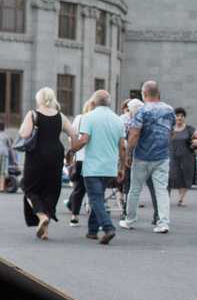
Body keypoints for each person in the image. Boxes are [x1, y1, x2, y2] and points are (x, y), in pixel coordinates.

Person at [15, 87, 80, 240]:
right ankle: (45, 231)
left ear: (39, 99)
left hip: (36, 155)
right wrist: (71, 152)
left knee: (29, 187)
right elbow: (73, 134)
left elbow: (24, 134)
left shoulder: (33, 114)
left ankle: (41, 215)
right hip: (56, 154)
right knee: (50, 190)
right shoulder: (60, 116)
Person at [68, 90, 126, 245]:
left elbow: (84, 139)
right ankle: (92, 231)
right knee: (98, 196)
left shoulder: (88, 118)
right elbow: (122, 147)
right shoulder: (118, 120)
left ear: (93, 103)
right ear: (109, 103)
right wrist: (122, 168)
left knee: (95, 199)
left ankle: (108, 228)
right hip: (109, 168)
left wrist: (72, 149)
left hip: (93, 166)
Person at [119, 81, 175, 233]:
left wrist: (129, 153)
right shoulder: (169, 110)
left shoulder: (141, 111)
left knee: (135, 189)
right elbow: (171, 132)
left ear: (144, 94)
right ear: (158, 92)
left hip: (142, 156)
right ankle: (163, 222)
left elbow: (134, 133)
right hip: (162, 156)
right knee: (161, 190)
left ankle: (129, 219)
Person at [65, 98, 94, 224]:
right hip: (95, 160)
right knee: (95, 190)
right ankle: (95, 219)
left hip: (81, 158)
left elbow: (72, 136)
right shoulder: (98, 120)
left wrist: (72, 151)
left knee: (79, 189)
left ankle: (74, 216)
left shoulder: (80, 118)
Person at [168, 107, 197, 206]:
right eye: (177, 116)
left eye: (181, 116)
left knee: (185, 177)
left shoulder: (189, 128)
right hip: (172, 156)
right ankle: (166, 198)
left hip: (187, 156)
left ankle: (181, 199)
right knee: (170, 176)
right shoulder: (170, 128)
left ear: (184, 117)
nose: (179, 118)